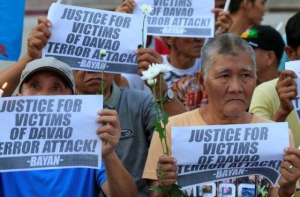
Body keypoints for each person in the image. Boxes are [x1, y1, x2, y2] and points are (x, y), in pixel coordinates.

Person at [143, 33, 300, 197]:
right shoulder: (170, 130)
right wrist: (163, 185)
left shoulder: (277, 136)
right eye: (224, 76)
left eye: (245, 75)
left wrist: (288, 188)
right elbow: (156, 194)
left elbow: (279, 193)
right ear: (202, 81)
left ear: (255, 77)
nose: (236, 87)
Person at [0, 57, 138, 197]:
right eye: (35, 86)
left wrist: (109, 154)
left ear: (73, 101)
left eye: (56, 88)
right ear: (18, 98)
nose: (44, 96)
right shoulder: (3, 144)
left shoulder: (89, 144)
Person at [249, 12, 300, 148]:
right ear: (290, 52)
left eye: (250, 50)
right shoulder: (264, 93)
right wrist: (282, 111)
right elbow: (260, 149)